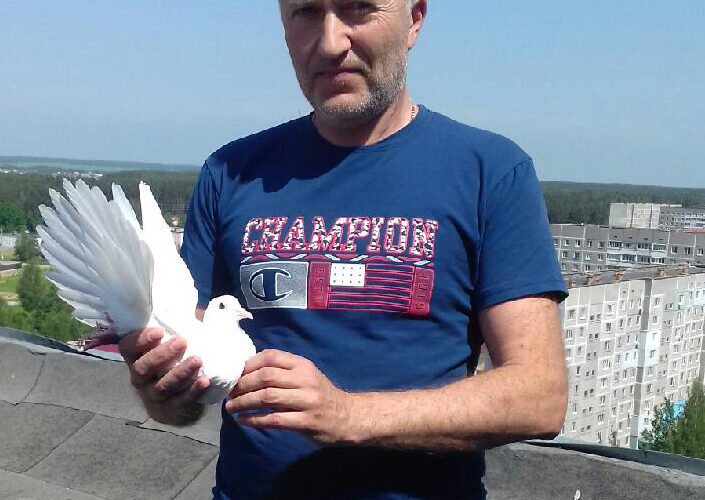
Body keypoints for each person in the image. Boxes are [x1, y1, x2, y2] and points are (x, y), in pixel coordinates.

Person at [119, 1, 569, 498]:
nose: (330, 43)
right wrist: (163, 391)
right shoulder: (231, 173)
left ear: (414, 19)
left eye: (358, 8)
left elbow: (539, 395)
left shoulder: (490, 172)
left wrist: (349, 415)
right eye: (306, 12)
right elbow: (186, 400)